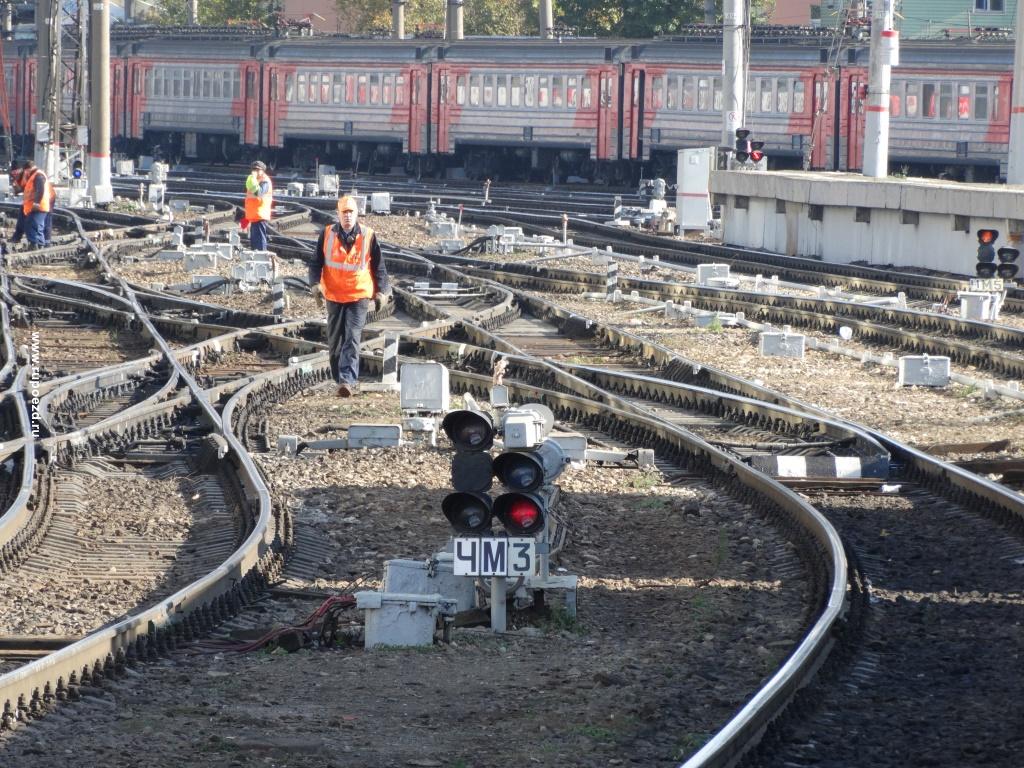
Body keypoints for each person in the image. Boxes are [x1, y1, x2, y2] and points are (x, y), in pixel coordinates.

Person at [309, 194, 391, 397]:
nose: (347, 217)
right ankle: (339, 378)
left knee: (352, 337)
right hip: (334, 295)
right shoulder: (327, 234)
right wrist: (314, 285)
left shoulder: (368, 235)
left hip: (358, 295)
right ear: (337, 214)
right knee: (335, 340)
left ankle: (348, 379)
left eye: (351, 213)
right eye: (344, 213)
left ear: (357, 214)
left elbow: (379, 266)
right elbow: (315, 262)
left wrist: (382, 292)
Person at [20, 160, 51, 247]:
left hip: (39, 206)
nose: (25, 173)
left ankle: (35, 244)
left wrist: (36, 203)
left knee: (32, 225)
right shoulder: (36, 175)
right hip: (39, 206)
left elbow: (40, 189)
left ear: (27, 169)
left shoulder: (38, 176)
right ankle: (39, 244)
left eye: (25, 171)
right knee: (36, 225)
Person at [244, 160, 272, 251]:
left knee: (260, 242)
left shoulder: (265, 181)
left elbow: (258, 193)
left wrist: (252, 179)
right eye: (253, 169)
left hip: (260, 215)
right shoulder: (255, 180)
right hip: (254, 216)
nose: (254, 171)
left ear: (262, 170)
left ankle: (262, 259)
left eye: (257, 169)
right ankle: (256, 259)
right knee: (254, 242)